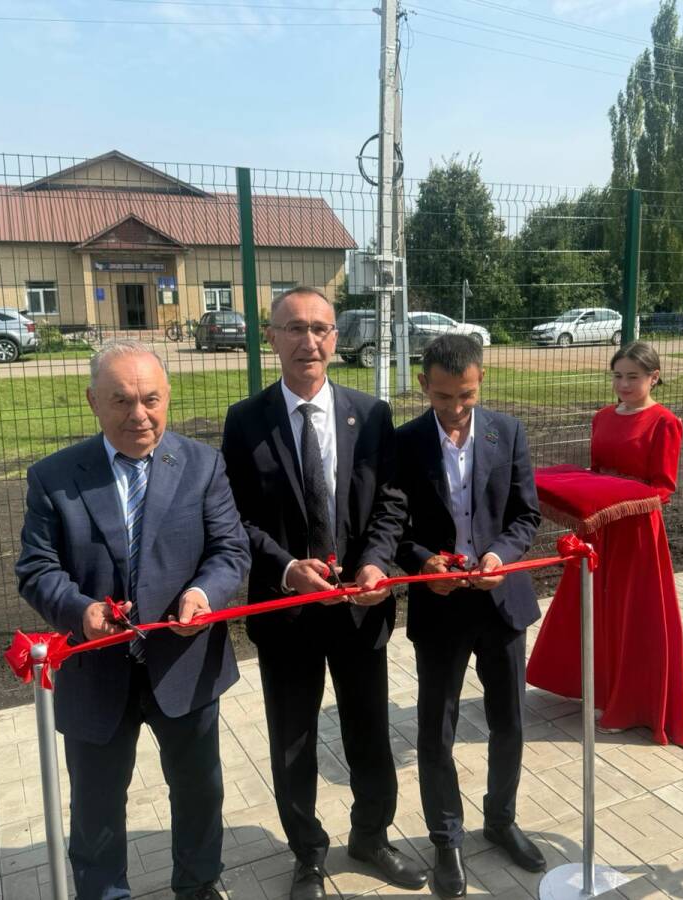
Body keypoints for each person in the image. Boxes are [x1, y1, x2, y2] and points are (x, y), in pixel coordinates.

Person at [16, 341, 250, 900]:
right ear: (93, 401)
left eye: (151, 399)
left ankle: (198, 885)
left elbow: (230, 549)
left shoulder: (202, 464)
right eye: (121, 400)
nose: (139, 415)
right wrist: (79, 611)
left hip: (184, 663)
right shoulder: (55, 477)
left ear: (168, 398)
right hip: (96, 672)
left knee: (199, 791)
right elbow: (37, 567)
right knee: (96, 805)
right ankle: (104, 892)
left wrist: (203, 594)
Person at [220, 288, 427, 900]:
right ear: (271, 337)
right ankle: (307, 853)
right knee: (293, 742)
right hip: (287, 612)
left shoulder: (372, 414)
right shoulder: (245, 420)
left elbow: (391, 502)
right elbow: (233, 515)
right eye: (294, 328)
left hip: (360, 609)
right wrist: (287, 569)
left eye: (319, 328)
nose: (308, 340)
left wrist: (376, 563)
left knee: (369, 732)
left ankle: (371, 836)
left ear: (335, 338)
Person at [394, 335, 544, 898]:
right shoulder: (404, 442)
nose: (455, 409)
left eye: (466, 396)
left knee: (510, 722)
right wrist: (423, 561)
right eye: (442, 397)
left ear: (481, 382)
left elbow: (526, 515)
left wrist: (500, 555)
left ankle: (501, 820)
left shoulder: (509, 431)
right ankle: (446, 839)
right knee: (436, 730)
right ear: (423, 385)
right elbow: (393, 525)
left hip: (501, 601)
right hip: (439, 606)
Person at [526, 340, 683, 747]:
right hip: (601, 528)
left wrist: (618, 495)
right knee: (593, 606)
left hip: (637, 532)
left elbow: (663, 488)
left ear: (654, 377)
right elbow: (597, 471)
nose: (624, 384)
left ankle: (630, 703)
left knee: (630, 614)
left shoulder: (664, 422)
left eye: (633, 377)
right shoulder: (602, 417)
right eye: (618, 376)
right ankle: (597, 689)